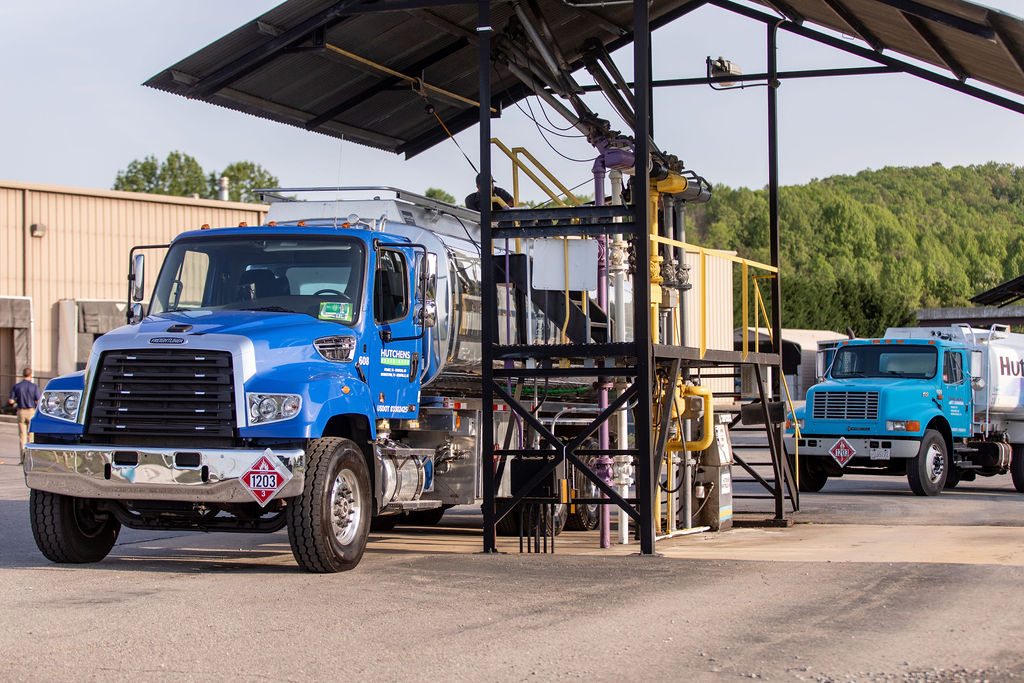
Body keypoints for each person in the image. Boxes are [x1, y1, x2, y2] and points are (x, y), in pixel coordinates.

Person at [8, 367, 42, 464]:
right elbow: (38, 400)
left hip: (21, 411)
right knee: (31, 436)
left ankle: (23, 459)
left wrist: (15, 401)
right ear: (30, 375)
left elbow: (11, 400)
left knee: (22, 436)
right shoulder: (34, 386)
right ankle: (30, 459)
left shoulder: (17, 386)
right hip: (31, 411)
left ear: (23, 374)